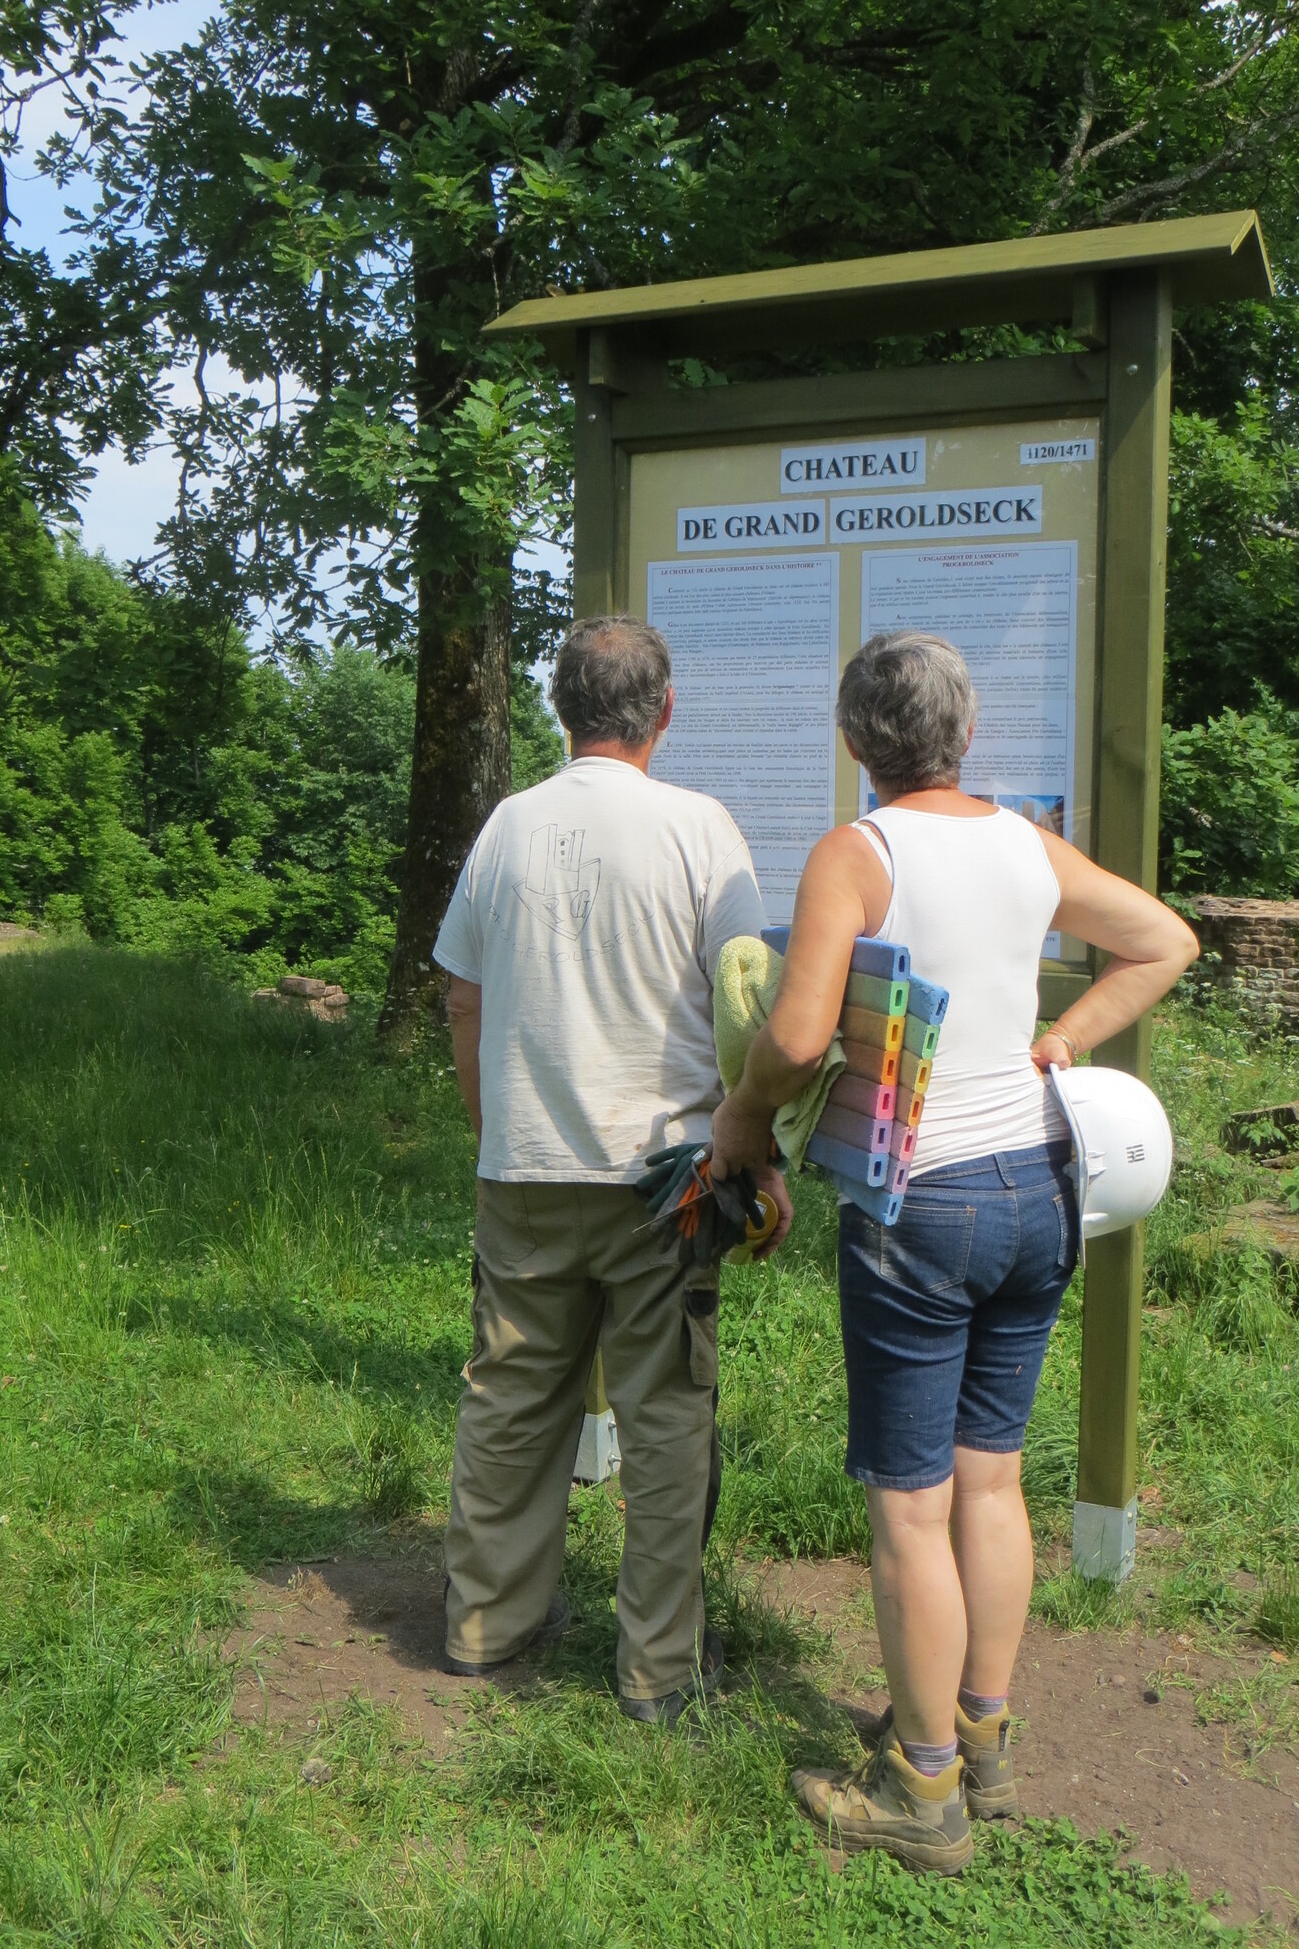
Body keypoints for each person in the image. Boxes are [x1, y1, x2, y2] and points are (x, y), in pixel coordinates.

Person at [711, 631, 1197, 1871]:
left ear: (853, 740)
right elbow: (1165, 938)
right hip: (1041, 1186)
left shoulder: (858, 853)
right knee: (991, 1481)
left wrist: (743, 1113)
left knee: (910, 1505)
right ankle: (981, 1731)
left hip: (922, 1202)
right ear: (966, 733)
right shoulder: (1026, 845)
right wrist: (1064, 1038)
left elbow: (800, 1036)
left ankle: (921, 1787)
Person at [434, 614, 792, 1723]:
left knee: (509, 1398)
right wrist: (763, 1156)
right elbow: (748, 1003)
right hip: (667, 1178)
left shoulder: (506, 825)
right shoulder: (700, 828)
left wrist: (495, 1130)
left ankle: (484, 1627)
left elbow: (462, 996)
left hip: (525, 1168)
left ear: (560, 710)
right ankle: (656, 1671)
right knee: (667, 1418)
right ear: (664, 711)